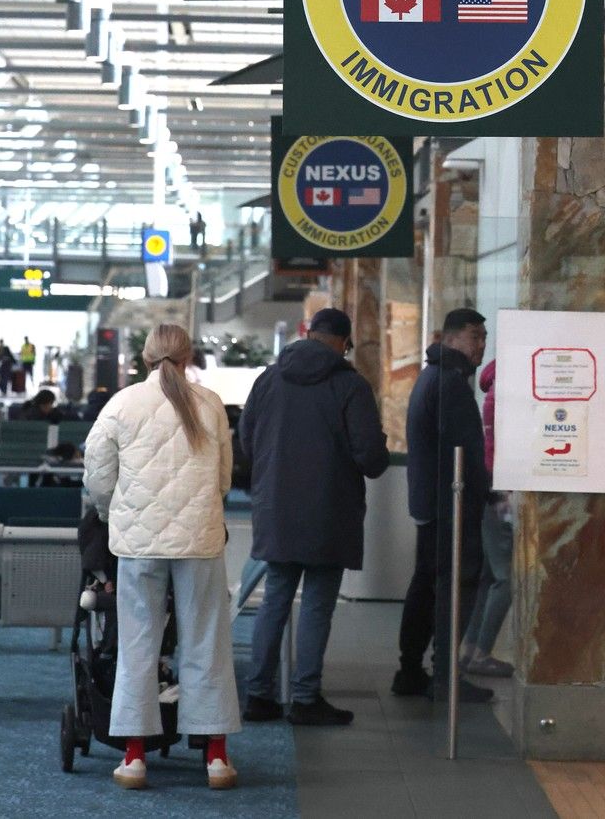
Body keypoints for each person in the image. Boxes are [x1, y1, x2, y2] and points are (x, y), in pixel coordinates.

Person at [83, 323, 240, 791]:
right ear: (189, 356)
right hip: (200, 541)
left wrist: (116, 513)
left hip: (138, 544)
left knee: (136, 644)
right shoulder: (210, 403)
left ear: (144, 357)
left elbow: (97, 473)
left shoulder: (122, 403)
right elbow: (225, 476)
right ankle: (216, 759)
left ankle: (133, 758)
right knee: (206, 642)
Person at [239, 307, 389, 726]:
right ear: (344, 341)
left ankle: (258, 695)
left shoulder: (268, 379)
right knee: (317, 605)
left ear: (309, 333)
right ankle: (305, 698)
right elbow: (372, 459)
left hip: (277, 508)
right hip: (329, 510)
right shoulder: (350, 385)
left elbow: (247, 443)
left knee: (275, 601)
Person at [392, 308, 492, 704]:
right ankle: (445, 675)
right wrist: (485, 492)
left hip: (433, 502)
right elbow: (463, 453)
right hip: (450, 504)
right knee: (455, 585)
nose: (480, 344)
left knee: (427, 584)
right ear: (450, 339)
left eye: (484, 336)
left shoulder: (433, 375)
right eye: (473, 336)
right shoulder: (449, 383)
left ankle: (411, 670)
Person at [460, 359, 514, 678]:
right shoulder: (507, 391)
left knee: (488, 576)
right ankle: (480, 653)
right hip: (498, 487)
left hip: (489, 484)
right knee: (506, 577)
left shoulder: (495, 387)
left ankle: (470, 650)